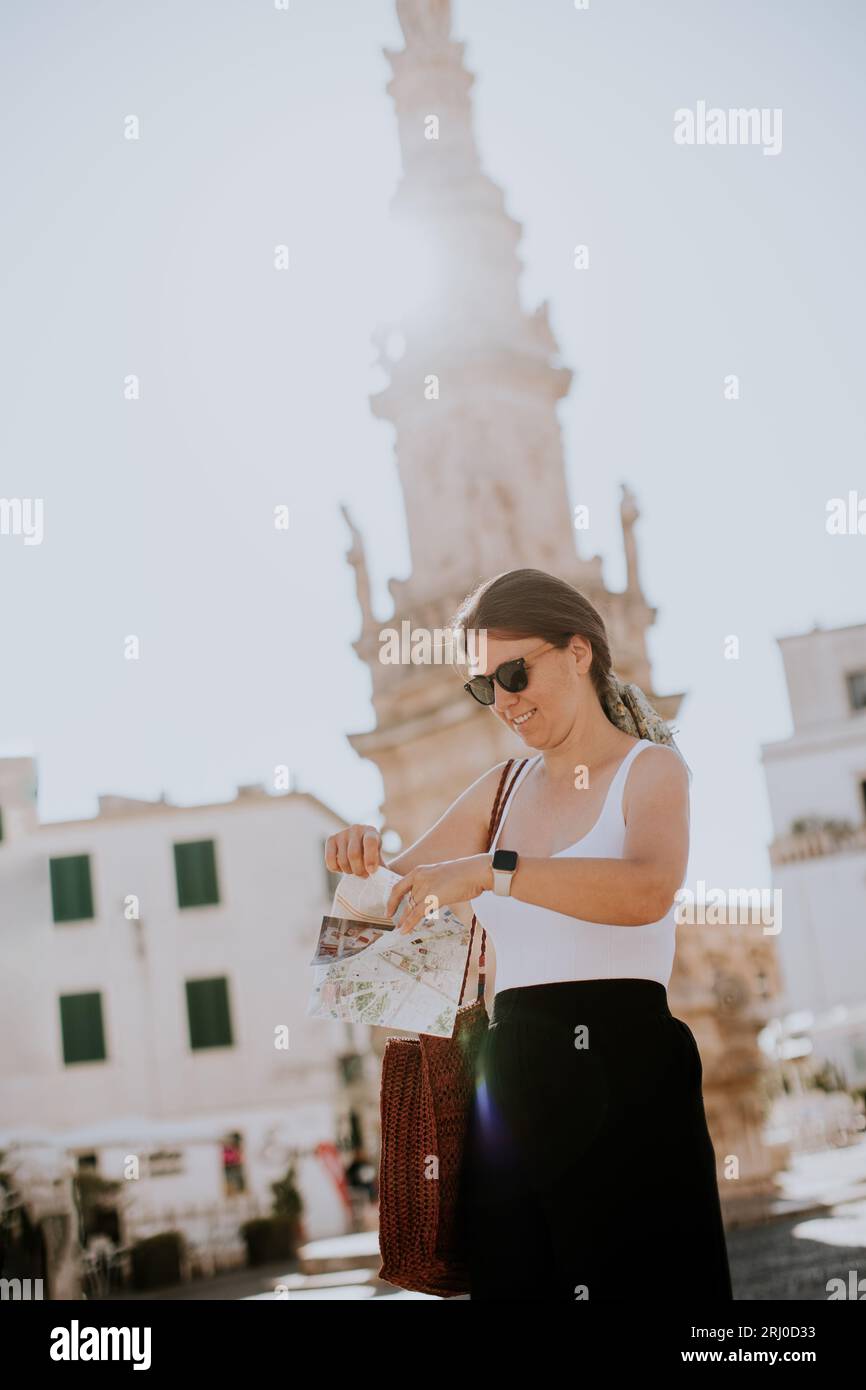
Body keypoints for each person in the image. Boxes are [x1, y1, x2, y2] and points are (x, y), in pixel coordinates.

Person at [325, 567, 734, 1301]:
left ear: (579, 652)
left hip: (629, 1071)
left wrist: (493, 870)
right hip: (508, 1088)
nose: (505, 702)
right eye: (486, 686)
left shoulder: (652, 771)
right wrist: (357, 861)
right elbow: (379, 918)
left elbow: (646, 892)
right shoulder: (499, 790)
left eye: (515, 672)